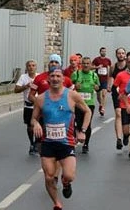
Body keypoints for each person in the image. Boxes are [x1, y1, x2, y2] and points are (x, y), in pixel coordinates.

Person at [31, 67, 92, 210]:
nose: (55, 79)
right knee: (49, 177)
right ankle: (57, 203)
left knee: (69, 175)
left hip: (66, 143)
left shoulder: (72, 95)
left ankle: (66, 183)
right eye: (52, 76)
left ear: (63, 79)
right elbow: (33, 118)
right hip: (48, 143)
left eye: (58, 76)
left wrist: (82, 131)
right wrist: (36, 124)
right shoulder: (40, 99)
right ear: (48, 79)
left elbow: (88, 111)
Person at [112, 53, 130, 157]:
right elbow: (115, 88)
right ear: (126, 63)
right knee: (126, 130)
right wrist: (118, 96)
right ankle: (125, 136)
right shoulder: (121, 75)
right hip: (124, 105)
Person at [71, 57, 99, 153]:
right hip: (78, 103)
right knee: (77, 123)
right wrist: (75, 86)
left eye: (88, 63)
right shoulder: (76, 74)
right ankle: (76, 137)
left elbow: (98, 87)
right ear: (81, 64)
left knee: (88, 124)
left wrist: (96, 87)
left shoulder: (94, 75)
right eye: (84, 63)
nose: (86, 65)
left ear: (91, 64)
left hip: (89, 103)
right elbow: (69, 87)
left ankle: (86, 144)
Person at [14, 60, 39, 155]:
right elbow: (16, 90)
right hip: (28, 105)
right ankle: (32, 143)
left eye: (33, 65)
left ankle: (37, 142)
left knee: (38, 125)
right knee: (30, 127)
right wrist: (26, 86)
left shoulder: (39, 76)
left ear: (36, 67)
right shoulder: (23, 77)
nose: (31, 67)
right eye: (29, 66)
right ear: (26, 67)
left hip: (38, 105)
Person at [108, 47, 127, 150]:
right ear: (116, 55)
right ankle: (119, 139)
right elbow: (111, 77)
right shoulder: (113, 66)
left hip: (128, 94)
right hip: (116, 92)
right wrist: (109, 86)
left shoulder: (129, 66)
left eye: (122, 53)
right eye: (119, 53)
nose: (121, 55)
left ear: (125, 55)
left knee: (127, 115)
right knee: (118, 113)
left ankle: (126, 134)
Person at [92, 47, 112, 117]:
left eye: (104, 51)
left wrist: (109, 80)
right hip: (97, 80)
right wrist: (97, 67)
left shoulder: (108, 60)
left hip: (104, 80)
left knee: (103, 94)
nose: (103, 52)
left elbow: (110, 69)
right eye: (102, 51)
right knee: (98, 96)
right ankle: (101, 104)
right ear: (100, 52)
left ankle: (103, 108)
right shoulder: (96, 59)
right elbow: (91, 67)